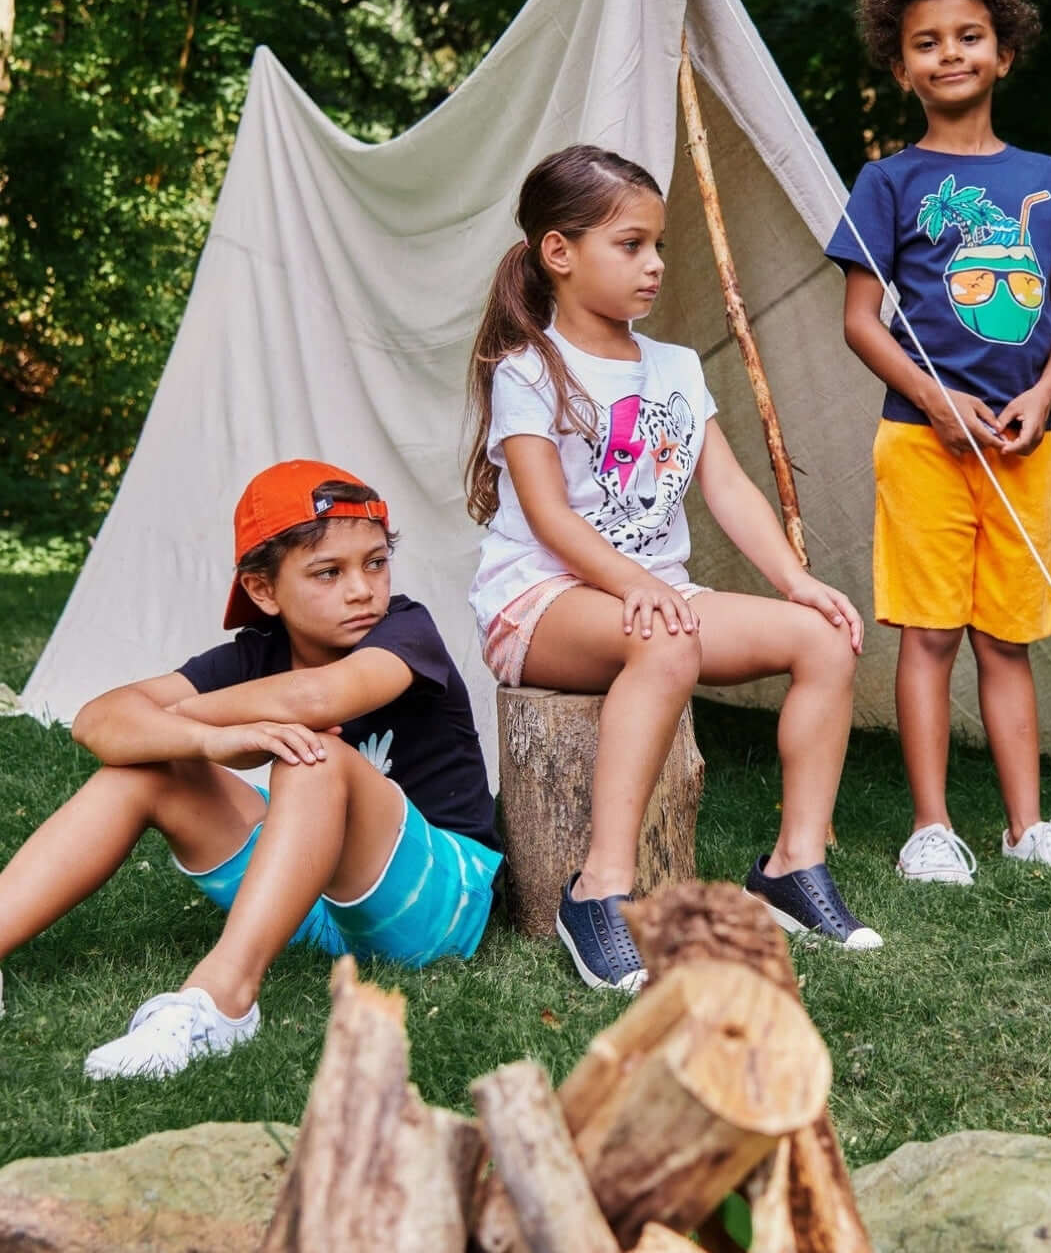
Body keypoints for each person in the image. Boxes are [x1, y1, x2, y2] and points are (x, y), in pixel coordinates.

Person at [465, 144, 880, 992]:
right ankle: (600, 891)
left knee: (823, 641)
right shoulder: (528, 369)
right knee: (664, 645)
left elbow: (725, 488)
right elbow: (546, 513)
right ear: (559, 252)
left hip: (659, 598)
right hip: (543, 602)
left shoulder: (677, 369)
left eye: (659, 245)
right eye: (631, 245)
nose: (655, 264)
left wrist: (798, 583)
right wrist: (637, 585)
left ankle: (793, 869)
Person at [0, 460, 502, 1076]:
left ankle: (222, 1002)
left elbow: (319, 699)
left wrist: (176, 721)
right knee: (144, 771)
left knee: (310, 754)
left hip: (438, 903)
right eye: (328, 572)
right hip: (309, 907)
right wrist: (206, 742)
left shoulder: (405, 631)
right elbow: (95, 721)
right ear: (264, 590)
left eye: (375, 561)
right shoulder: (253, 655)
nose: (361, 589)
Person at [825, 0, 1051, 884]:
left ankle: (1024, 827)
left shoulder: (1046, 179)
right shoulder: (890, 181)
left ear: (1005, 50)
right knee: (930, 634)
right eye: (927, 42)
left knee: (1007, 636)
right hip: (921, 444)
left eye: (968, 35)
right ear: (900, 66)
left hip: (1019, 446)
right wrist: (934, 397)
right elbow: (861, 320)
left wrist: (1040, 396)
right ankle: (931, 829)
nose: (949, 53)